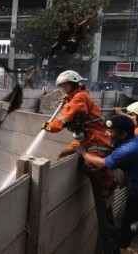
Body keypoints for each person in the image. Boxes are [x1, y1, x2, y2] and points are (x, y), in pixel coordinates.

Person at [41, 70, 116, 196]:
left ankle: (109, 184)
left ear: (74, 84)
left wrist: (50, 127)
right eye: (62, 86)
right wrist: (67, 99)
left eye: (66, 86)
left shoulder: (79, 97)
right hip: (85, 137)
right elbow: (70, 107)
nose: (64, 89)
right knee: (64, 155)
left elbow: (66, 117)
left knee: (91, 165)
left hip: (96, 137)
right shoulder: (75, 96)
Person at [74, 115, 138, 249]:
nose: (106, 133)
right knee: (130, 217)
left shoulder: (127, 150)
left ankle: (122, 240)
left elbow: (102, 163)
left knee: (130, 218)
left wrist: (84, 153)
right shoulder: (132, 140)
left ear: (123, 134)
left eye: (110, 131)